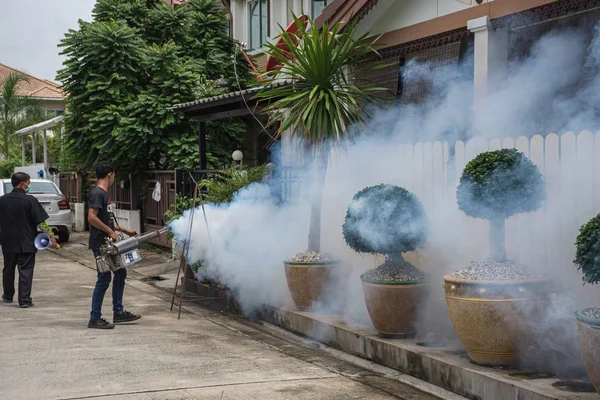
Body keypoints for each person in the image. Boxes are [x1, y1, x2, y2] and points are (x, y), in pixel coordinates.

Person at [88, 161, 140, 329]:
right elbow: (92, 217)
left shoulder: (104, 194)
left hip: (109, 243)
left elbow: (107, 220)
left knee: (121, 273)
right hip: (101, 243)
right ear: (110, 174)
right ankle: (95, 318)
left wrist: (124, 229)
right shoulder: (98, 194)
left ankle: (118, 312)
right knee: (104, 278)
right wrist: (110, 233)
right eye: (114, 175)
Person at [0, 172, 57, 308]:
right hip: (26, 241)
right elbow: (41, 222)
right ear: (22, 184)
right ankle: (24, 300)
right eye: (28, 183)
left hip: (7, 241)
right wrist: (51, 237)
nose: (28, 186)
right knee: (25, 270)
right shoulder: (30, 200)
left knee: (8, 268)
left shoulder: (2, 200)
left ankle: (8, 296)